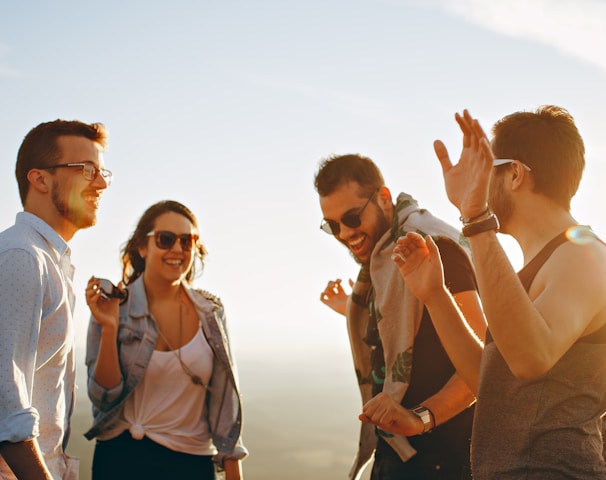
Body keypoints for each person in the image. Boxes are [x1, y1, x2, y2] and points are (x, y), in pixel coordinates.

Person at [375, 106, 606, 479]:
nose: (476, 182)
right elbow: (493, 381)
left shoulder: (584, 255)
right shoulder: (542, 265)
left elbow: (530, 359)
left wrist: (475, 217)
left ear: (514, 173)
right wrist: (435, 294)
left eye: (487, 169)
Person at [315, 154, 486, 480]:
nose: (343, 233)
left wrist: (421, 418)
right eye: (332, 225)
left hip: (443, 459)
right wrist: (353, 309)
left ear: (383, 198)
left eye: (351, 218)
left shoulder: (433, 248)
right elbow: (413, 332)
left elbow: (481, 363)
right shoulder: (383, 261)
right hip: (397, 454)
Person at [84, 200, 247, 480]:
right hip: (119, 462)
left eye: (187, 241)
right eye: (166, 239)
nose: (177, 249)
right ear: (142, 247)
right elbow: (103, 397)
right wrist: (109, 327)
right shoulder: (113, 307)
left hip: (190, 465)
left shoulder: (211, 313)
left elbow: (225, 410)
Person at [0, 119, 110, 479]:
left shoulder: (51, 261)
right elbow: (5, 403)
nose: (102, 182)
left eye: (102, 170)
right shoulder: (23, 257)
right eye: (87, 170)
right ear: (41, 179)